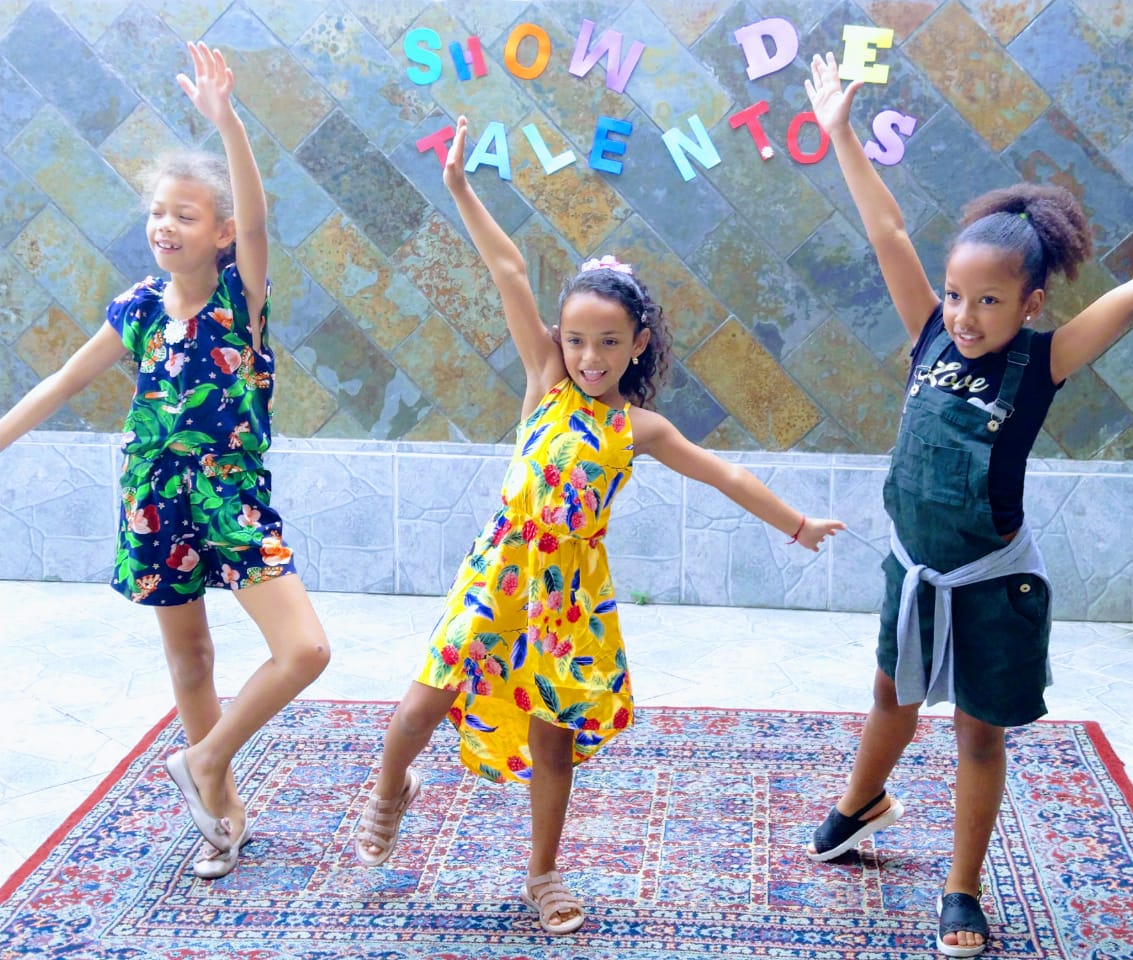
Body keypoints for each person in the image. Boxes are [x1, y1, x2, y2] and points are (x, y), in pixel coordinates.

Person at [802, 51, 1133, 958]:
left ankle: (962, 889)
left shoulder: (1043, 361)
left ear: (1030, 303)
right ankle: (859, 803)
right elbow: (888, 228)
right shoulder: (929, 334)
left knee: (978, 735)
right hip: (915, 568)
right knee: (890, 694)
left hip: (991, 583)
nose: (965, 315)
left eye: (988, 301)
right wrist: (839, 135)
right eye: (956, 295)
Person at [352, 114, 846, 935]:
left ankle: (543, 873)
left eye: (608, 343)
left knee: (553, 741)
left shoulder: (638, 429)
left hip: (567, 598)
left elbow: (722, 472)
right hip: (498, 573)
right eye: (577, 340)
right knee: (419, 707)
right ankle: (390, 788)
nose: (589, 357)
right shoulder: (545, 381)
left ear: (637, 343)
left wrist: (796, 525)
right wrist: (460, 187)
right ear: (560, 339)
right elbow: (509, 269)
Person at [0, 42, 329, 880]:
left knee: (304, 650)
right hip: (153, 495)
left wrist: (228, 122)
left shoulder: (240, 299)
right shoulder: (137, 309)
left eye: (186, 214)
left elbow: (259, 220)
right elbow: (64, 381)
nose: (165, 225)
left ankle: (205, 757)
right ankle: (220, 816)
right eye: (158, 212)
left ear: (220, 234)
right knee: (191, 660)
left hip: (230, 495)